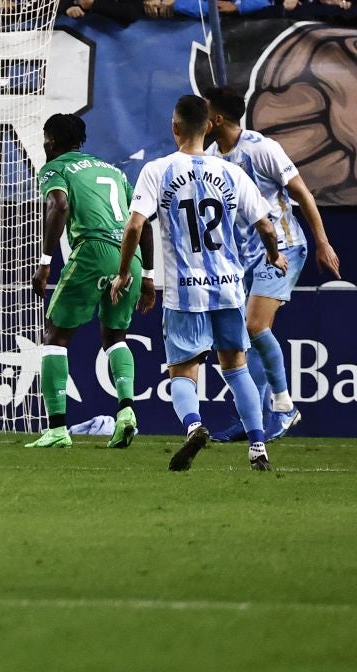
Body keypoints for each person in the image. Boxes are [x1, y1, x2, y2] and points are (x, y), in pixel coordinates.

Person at [112, 94, 285, 472]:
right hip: (228, 286)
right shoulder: (231, 172)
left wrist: (127, 272)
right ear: (209, 127)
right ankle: (258, 446)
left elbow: (135, 225)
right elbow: (267, 226)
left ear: (175, 127)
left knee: (183, 371)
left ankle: (193, 427)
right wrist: (273, 255)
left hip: (183, 290)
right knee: (236, 367)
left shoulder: (157, 171)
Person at [202, 87, 341, 442]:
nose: (199, 117)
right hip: (242, 258)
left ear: (217, 119)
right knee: (243, 341)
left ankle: (284, 406)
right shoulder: (212, 155)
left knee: (254, 325)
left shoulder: (261, 148)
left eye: (204, 111)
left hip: (283, 247)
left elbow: (302, 194)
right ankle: (255, 422)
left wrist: (323, 242)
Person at [25, 113, 147, 451]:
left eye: (45, 138)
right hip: (129, 256)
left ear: (51, 140)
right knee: (115, 336)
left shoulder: (55, 168)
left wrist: (45, 263)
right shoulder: (113, 170)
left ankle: (57, 429)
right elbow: (143, 222)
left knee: (55, 335)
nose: (44, 143)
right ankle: (126, 412)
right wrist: (147, 276)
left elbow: (59, 205)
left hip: (93, 250)